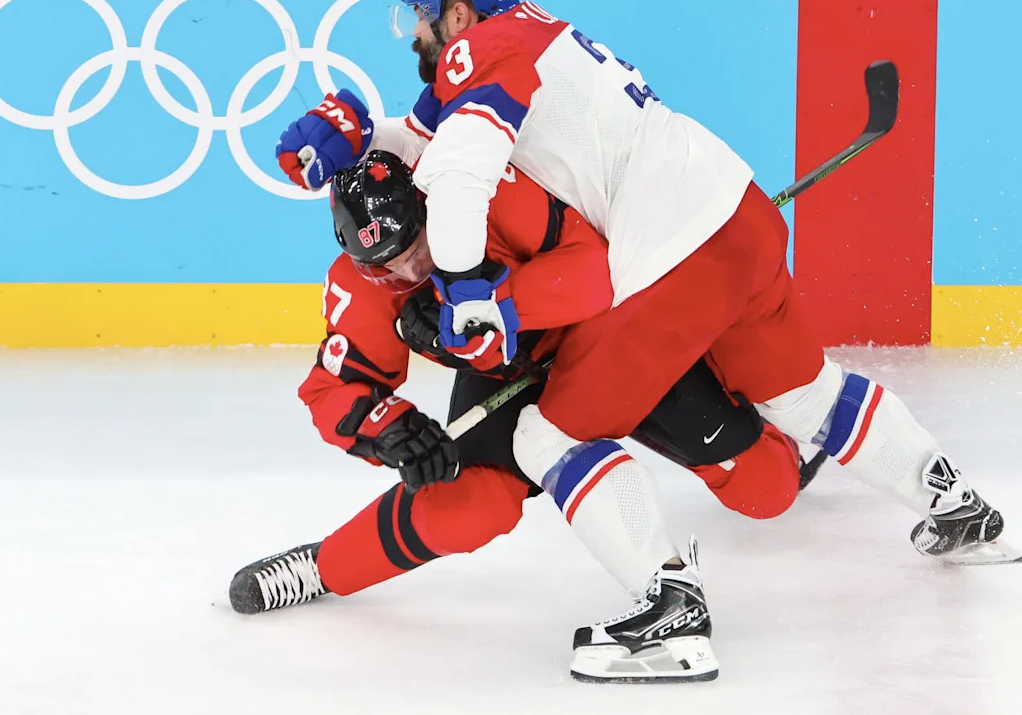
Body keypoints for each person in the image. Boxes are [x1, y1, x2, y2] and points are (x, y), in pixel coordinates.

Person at [271, 0, 1022, 682]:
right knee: (805, 394)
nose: (417, 35)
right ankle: (957, 507)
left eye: (423, 18)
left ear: (459, 14)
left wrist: (474, 294)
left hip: (665, 267)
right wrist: (358, 131)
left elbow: (463, 170)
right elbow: (434, 138)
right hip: (737, 216)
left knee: (546, 438)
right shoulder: (537, 39)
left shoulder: (479, 55)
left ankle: (669, 612)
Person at [230, 152, 808, 683]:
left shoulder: (488, 193)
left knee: (768, 489)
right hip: (519, 377)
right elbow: (334, 387)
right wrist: (390, 429)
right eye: (387, 269)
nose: (408, 275)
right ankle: (323, 566)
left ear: (434, 208)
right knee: (466, 506)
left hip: (613, 341)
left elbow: (591, 274)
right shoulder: (364, 280)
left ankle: (780, 416)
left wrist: (490, 308)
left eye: (418, 251)